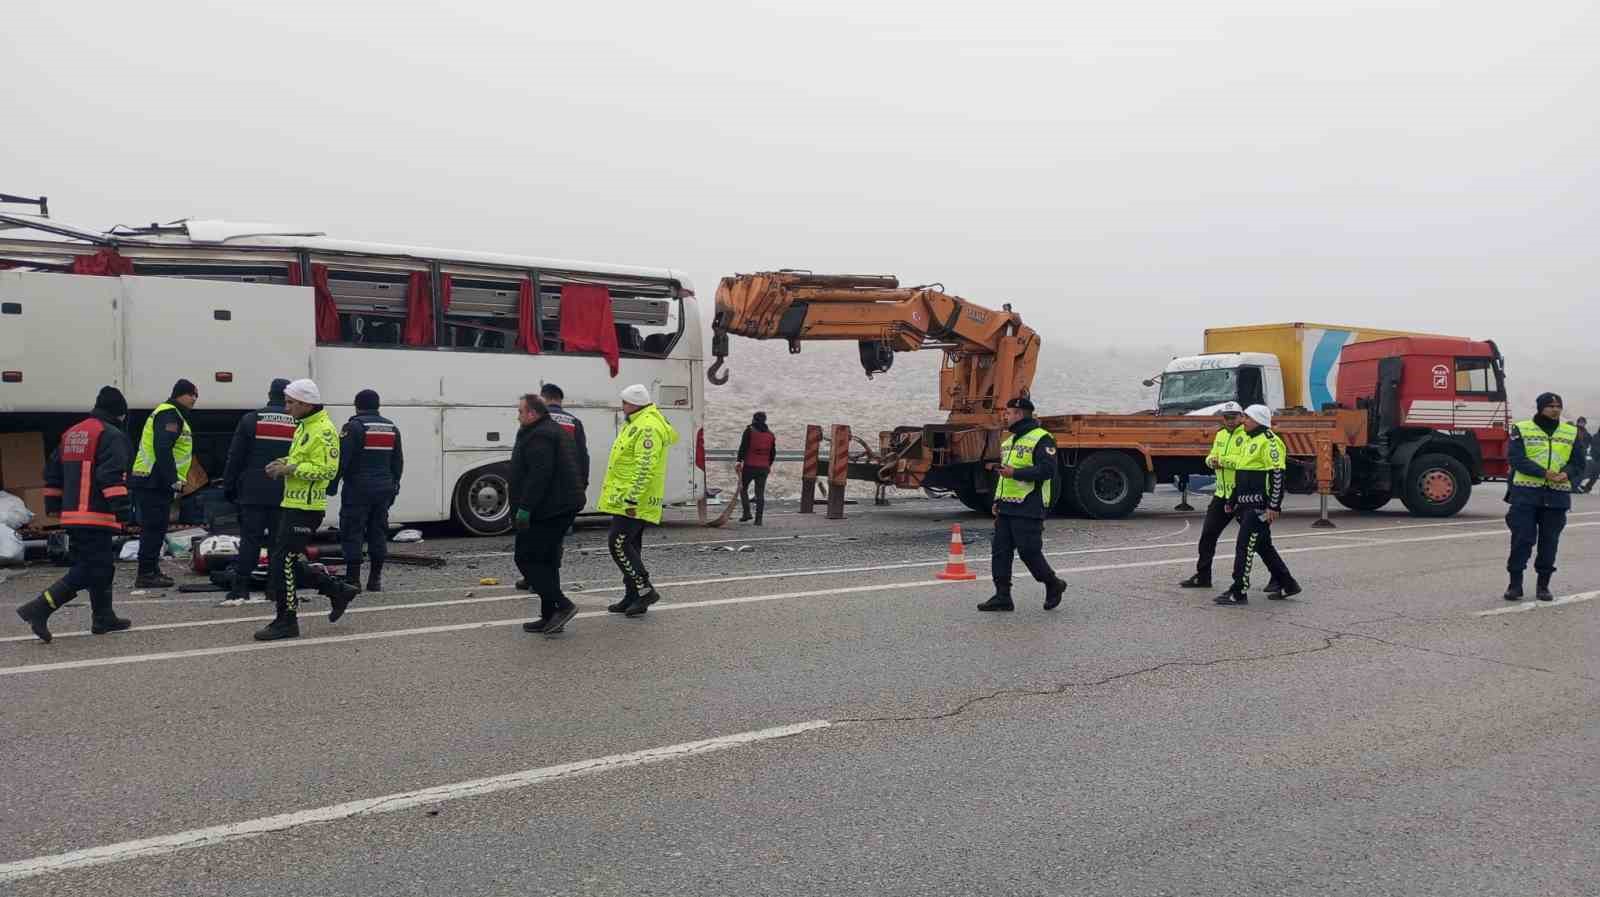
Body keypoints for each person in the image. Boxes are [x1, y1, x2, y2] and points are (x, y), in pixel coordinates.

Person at [16, 387, 135, 642]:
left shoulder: (73, 432)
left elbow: (52, 472)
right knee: (92, 569)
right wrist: (124, 511)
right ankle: (39, 608)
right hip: (96, 514)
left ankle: (103, 617)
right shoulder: (112, 435)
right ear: (120, 413)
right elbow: (110, 476)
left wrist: (53, 507)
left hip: (73, 514)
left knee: (101, 566)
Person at [254, 379, 361, 641]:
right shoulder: (304, 426)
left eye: (291, 403)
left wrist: (291, 469)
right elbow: (305, 460)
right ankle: (337, 590)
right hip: (293, 504)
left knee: (282, 563)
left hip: (308, 507)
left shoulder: (324, 431)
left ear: (305, 403)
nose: (286, 408)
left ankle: (287, 620)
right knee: (285, 561)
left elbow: (328, 470)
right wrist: (284, 461)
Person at [977, 396, 1067, 612]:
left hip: (1030, 504)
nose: (1004, 416)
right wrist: (997, 500)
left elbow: (1047, 471)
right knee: (1000, 552)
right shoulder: (1009, 441)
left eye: (1008, 413)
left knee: (1029, 552)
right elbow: (1004, 476)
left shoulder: (1042, 438)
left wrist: (1015, 473)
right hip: (1007, 506)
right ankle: (1002, 596)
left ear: (1019, 414)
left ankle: (1053, 584)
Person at [598, 383, 678, 617]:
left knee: (618, 544)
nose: (622, 406)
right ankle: (633, 596)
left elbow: (645, 466)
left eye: (624, 402)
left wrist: (632, 499)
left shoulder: (647, 427)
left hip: (633, 501)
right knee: (631, 545)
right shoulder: (636, 423)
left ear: (633, 404)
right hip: (626, 498)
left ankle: (645, 591)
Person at [511, 394, 585, 636]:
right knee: (547, 560)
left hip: (549, 509)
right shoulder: (548, 429)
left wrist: (525, 509)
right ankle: (549, 615)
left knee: (526, 558)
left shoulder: (540, 435)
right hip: (558, 505)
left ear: (532, 413)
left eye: (521, 411)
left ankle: (562, 606)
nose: (518, 415)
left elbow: (538, 476)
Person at [1502, 393, 1585, 601]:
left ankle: (1543, 586)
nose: (1555, 409)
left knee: (1550, 542)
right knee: (1522, 539)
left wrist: (1567, 473)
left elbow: (1578, 463)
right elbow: (1516, 459)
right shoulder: (1522, 429)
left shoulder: (1571, 432)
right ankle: (1515, 584)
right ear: (1540, 408)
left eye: (1558, 406)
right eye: (1550, 406)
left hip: (1557, 496)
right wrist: (1544, 473)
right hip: (1525, 494)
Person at [1214, 404, 1300, 605]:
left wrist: (1274, 506)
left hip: (1260, 507)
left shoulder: (1271, 443)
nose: (1243, 421)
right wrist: (1232, 500)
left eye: (1247, 418)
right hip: (1244, 504)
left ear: (1258, 420)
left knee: (1244, 547)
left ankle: (1239, 591)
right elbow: (1241, 474)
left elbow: (1277, 475)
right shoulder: (1247, 439)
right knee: (1264, 546)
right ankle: (1288, 584)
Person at [218, 378, 294, 605]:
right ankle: (274, 588)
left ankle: (240, 588)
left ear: (269, 394)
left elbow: (235, 457)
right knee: (278, 542)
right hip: (284, 491)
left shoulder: (251, 419)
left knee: (250, 539)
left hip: (252, 491)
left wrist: (229, 485)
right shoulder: (298, 423)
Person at [329, 389, 403, 593]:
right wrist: (394, 486)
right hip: (384, 489)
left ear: (356, 405)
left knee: (352, 531)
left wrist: (332, 485)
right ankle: (375, 580)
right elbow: (397, 462)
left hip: (358, 489)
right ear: (377, 405)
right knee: (378, 531)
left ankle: (353, 580)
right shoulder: (391, 428)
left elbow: (342, 460)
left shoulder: (353, 427)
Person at [129, 378, 198, 589]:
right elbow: (163, 447)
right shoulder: (169, 414)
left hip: (152, 479)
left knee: (156, 528)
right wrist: (173, 480)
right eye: (192, 394)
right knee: (154, 528)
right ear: (181, 394)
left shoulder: (171, 413)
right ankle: (147, 573)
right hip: (154, 480)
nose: (195, 399)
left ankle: (151, 570)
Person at [1179, 402, 1246, 589]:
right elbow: (1211, 456)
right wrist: (1212, 461)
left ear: (1241, 417)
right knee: (1208, 535)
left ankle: (1279, 577)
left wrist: (1222, 461)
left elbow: (1244, 461)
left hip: (1240, 494)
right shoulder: (1221, 434)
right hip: (1221, 493)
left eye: (1234, 417)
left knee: (1257, 540)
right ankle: (1203, 576)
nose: (1230, 421)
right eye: (1226, 417)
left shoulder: (1247, 435)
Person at [736, 411, 776, 525]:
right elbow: (773, 453)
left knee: (743, 488)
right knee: (760, 494)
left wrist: (739, 461)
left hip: (749, 466)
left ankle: (747, 513)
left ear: (754, 419)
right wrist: (768, 465)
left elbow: (743, 447)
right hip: (763, 468)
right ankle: (759, 520)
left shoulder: (749, 431)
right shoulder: (771, 435)